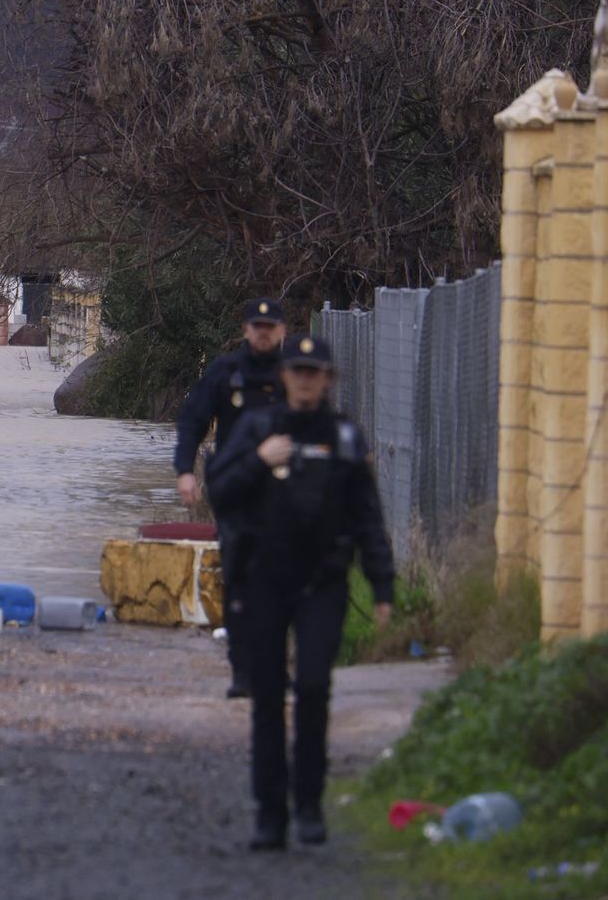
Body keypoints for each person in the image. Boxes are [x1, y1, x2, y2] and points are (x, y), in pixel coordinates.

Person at [205, 334, 395, 851]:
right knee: (267, 696)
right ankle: (271, 814)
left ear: (328, 380)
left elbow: (367, 516)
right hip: (263, 581)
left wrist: (382, 585)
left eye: (315, 373)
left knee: (312, 687)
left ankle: (309, 805)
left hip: (322, 583)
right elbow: (220, 492)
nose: (306, 381)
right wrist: (259, 460)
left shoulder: (344, 437)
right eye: (298, 371)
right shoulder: (258, 428)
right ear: (285, 377)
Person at [173, 296, 287, 697]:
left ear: (281, 331)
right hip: (235, 490)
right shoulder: (226, 372)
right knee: (238, 581)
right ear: (246, 331)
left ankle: (275, 666)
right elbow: (193, 420)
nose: (263, 334)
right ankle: (242, 672)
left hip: (282, 495)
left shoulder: (294, 373)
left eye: (270, 327)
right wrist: (185, 471)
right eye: (257, 327)